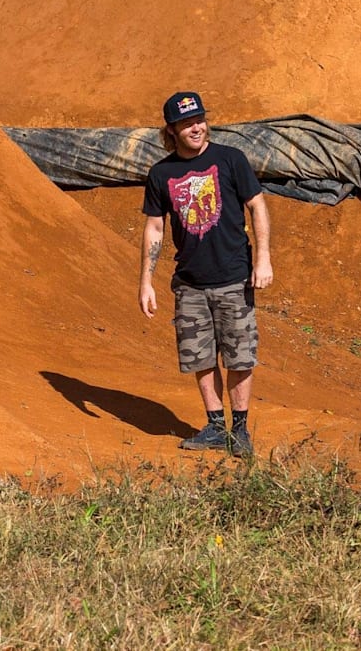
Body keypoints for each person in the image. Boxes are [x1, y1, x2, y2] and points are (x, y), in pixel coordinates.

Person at [138, 90, 273, 456]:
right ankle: (215, 426)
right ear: (171, 130)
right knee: (200, 357)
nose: (196, 128)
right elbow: (154, 228)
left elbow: (257, 207)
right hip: (190, 284)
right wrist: (146, 282)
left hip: (233, 277)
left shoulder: (230, 159)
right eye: (186, 123)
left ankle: (240, 429)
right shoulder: (162, 173)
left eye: (199, 120)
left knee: (239, 356)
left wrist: (263, 258)